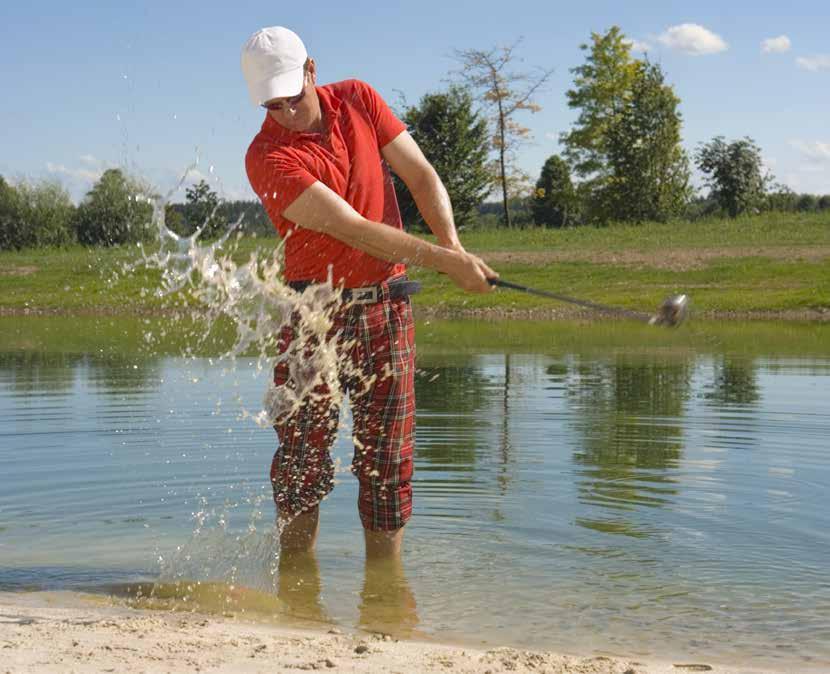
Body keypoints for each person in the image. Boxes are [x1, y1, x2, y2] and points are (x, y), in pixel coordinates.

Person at [242, 26, 496, 563]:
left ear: (312, 70)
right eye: (272, 105)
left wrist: (455, 248)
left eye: (292, 98)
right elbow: (352, 227)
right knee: (302, 461)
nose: (285, 113)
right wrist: (448, 265)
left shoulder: (358, 97)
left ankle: (384, 592)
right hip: (313, 316)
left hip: (387, 311)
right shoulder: (265, 155)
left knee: (388, 462)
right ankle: (296, 584)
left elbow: (422, 175)